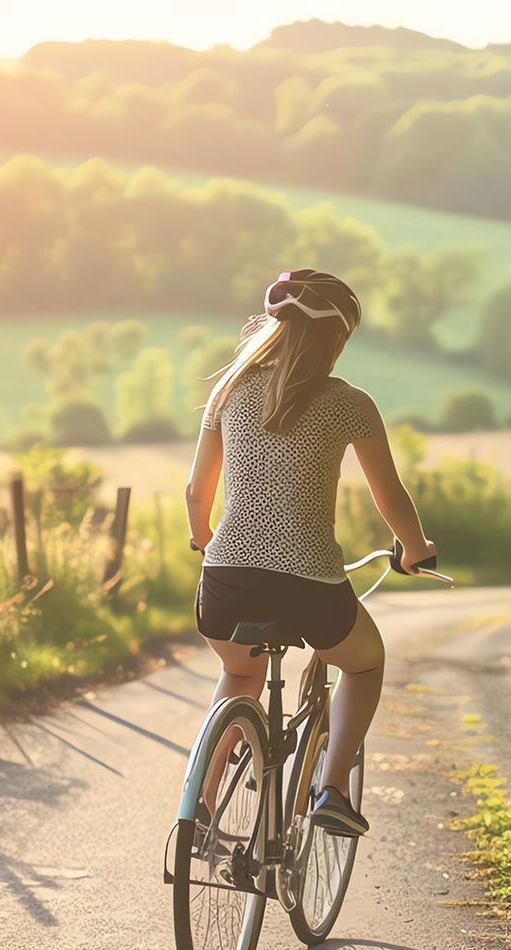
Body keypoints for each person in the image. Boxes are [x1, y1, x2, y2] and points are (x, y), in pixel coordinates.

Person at [184, 269, 435, 838]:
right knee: (365, 662)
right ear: (338, 340)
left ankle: (200, 804)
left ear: (273, 327)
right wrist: (416, 549)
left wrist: (204, 538)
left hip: (225, 580)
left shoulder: (227, 391)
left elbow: (198, 492)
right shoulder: (351, 403)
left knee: (238, 674)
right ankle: (332, 790)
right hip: (309, 584)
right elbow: (389, 496)